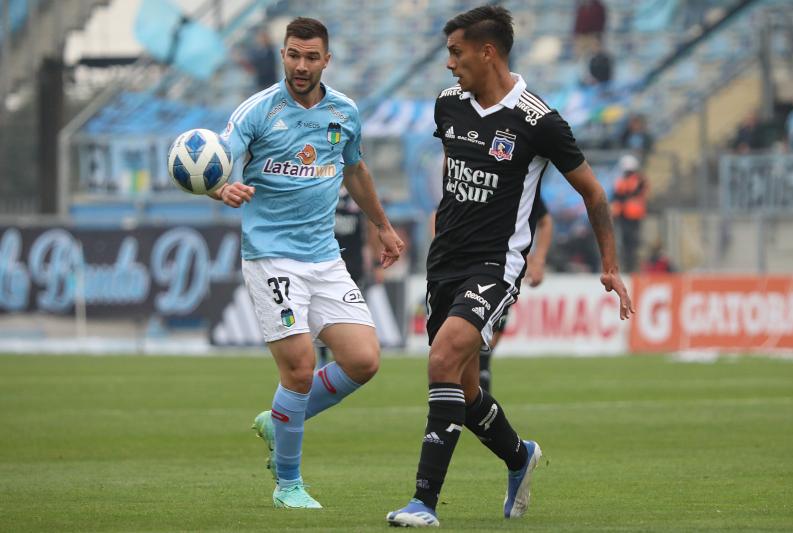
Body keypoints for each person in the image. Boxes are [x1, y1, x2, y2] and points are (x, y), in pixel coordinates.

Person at [386, 5, 632, 527]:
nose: (449, 64)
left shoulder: (538, 121)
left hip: (495, 266)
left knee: (440, 362)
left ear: (487, 51)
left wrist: (609, 265)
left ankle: (423, 502)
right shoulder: (447, 105)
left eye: (456, 53)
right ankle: (520, 457)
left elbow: (593, 193)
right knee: (467, 391)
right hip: (444, 262)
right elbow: (456, 181)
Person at [209, 17, 405, 509]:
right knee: (298, 368)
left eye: (311, 56)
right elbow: (213, 161)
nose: (301, 65)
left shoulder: (344, 112)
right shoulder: (257, 111)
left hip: (324, 257)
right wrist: (219, 187)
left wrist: (381, 224)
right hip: (271, 257)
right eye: (293, 54)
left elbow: (355, 169)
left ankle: (276, 418)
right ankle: (288, 484)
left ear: (326, 60)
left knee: (364, 360)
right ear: (283, 54)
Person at [479, 191, 553, 392]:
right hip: (472, 264)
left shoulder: (524, 185)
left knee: (492, 331)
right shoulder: (479, 176)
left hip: (504, 270)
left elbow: (545, 221)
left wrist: (538, 260)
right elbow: (438, 212)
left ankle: (482, 367)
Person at [317, 187, 370, 366]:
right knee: (324, 313)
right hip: (328, 262)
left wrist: (374, 261)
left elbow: (369, 227)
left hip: (354, 265)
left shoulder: (358, 194)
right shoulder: (323, 190)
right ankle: (323, 356)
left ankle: (346, 353)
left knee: (350, 312)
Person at [610, 154, 648, 272]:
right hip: (624, 215)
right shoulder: (625, 181)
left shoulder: (639, 181)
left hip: (633, 216)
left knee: (632, 243)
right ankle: (628, 265)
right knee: (627, 243)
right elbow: (618, 196)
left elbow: (628, 194)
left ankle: (632, 265)